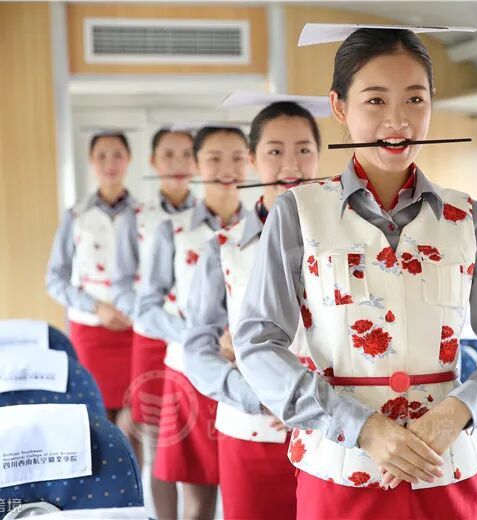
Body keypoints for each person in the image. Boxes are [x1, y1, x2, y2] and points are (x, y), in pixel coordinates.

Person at [233, 26, 477, 519]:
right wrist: (361, 427)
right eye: (375, 100)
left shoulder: (468, 218)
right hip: (341, 471)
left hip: (445, 467)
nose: (397, 120)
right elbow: (257, 345)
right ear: (339, 107)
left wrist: (457, 411)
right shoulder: (298, 212)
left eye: (414, 99)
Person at [184, 99, 323, 519]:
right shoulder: (222, 248)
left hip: (334, 432)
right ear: (252, 159)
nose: (290, 164)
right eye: (274, 151)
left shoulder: (347, 241)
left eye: (303, 149)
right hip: (252, 433)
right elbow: (197, 349)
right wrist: (261, 398)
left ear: (320, 155)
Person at [136, 125, 249, 520]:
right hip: (192, 374)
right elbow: (146, 309)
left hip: (255, 375)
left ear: (250, 162)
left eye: (237, 157)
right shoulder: (173, 229)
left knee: (248, 496)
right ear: (197, 164)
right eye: (214, 158)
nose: (226, 168)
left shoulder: (267, 226)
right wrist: (202, 338)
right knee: (198, 500)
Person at [111, 127, 197, 515]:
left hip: (203, 340)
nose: (178, 163)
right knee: (159, 438)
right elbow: (121, 286)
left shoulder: (211, 215)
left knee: (195, 437)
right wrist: (157, 317)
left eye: (186, 154)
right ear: (152, 161)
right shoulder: (136, 218)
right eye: (168, 155)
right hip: (153, 338)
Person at [45, 131, 142, 463]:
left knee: (135, 421)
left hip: (136, 328)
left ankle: (133, 487)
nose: (109, 163)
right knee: (95, 420)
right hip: (91, 331)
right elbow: (54, 279)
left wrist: (134, 308)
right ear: (91, 162)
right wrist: (96, 307)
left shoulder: (145, 214)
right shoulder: (76, 215)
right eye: (101, 155)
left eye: (117, 155)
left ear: (129, 160)